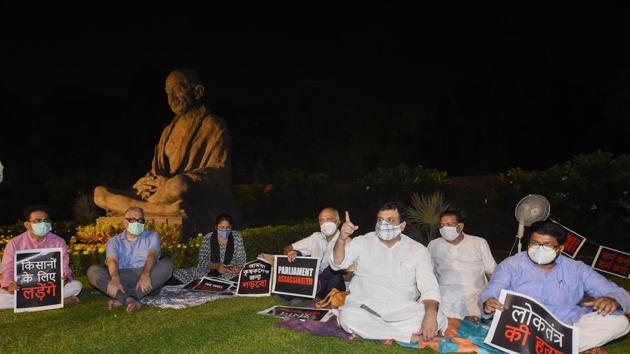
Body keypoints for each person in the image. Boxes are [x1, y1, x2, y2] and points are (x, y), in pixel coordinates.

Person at [93, 69, 234, 241]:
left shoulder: (214, 125)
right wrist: (144, 182)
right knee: (99, 193)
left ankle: (131, 210)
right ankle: (164, 211)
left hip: (179, 190)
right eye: (168, 92)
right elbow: (155, 173)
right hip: (161, 197)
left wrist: (168, 182)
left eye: (177, 90)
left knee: (178, 184)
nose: (171, 97)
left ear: (197, 91)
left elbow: (219, 173)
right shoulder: (168, 131)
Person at [479, 220, 630, 353]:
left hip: (566, 329)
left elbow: (617, 292)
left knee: (620, 323)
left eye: (547, 245)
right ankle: (573, 349)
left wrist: (613, 300)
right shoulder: (511, 265)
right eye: (535, 243)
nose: (539, 248)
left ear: (561, 248)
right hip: (525, 330)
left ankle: (554, 349)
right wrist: (488, 303)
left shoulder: (577, 269)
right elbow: (490, 292)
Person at [330, 202, 447, 343]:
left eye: (390, 220)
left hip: (402, 311)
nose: (383, 224)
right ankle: (408, 336)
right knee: (347, 316)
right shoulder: (362, 242)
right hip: (365, 308)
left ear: (402, 225)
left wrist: (430, 314)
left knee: (437, 316)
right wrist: (342, 239)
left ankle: (375, 332)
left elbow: (429, 286)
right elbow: (337, 264)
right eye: (380, 220)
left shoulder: (417, 250)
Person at [87, 207, 173, 313]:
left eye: (140, 220)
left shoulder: (152, 236)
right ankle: (132, 299)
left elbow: (153, 255)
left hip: (147, 274)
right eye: (132, 220)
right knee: (93, 271)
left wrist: (145, 274)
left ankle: (123, 298)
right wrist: (115, 278)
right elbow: (112, 261)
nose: (137, 223)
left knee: (167, 264)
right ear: (125, 221)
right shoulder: (114, 241)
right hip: (122, 276)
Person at [0, 205, 82, 309]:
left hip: (49, 288)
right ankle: (57, 301)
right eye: (37, 221)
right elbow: (7, 270)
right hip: (23, 289)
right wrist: (10, 286)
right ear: (27, 225)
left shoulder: (58, 242)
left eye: (46, 220)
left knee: (76, 286)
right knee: (1, 299)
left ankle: (30, 302)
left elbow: (64, 268)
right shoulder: (14, 243)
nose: (43, 224)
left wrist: (64, 278)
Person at [428, 209, 496, 322]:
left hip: (474, 295)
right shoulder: (434, 245)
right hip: (444, 296)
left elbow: (492, 272)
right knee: (432, 318)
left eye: (449, 225)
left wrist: (491, 295)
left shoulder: (478, 243)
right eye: (442, 225)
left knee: (473, 326)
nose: (445, 228)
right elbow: (428, 274)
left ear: (460, 226)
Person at [283, 207, 347, 299]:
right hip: (315, 281)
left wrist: (345, 270)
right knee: (297, 254)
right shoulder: (315, 238)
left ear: (338, 221)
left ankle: (302, 296)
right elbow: (288, 248)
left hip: (335, 284)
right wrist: (292, 253)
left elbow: (348, 275)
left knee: (332, 269)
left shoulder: (346, 241)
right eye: (321, 220)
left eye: (329, 219)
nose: (325, 223)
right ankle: (299, 295)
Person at [172, 213, 246, 283]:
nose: (225, 230)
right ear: (216, 227)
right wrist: (217, 266)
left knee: (235, 277)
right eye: (221, 227)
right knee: (179, 273)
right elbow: (202, 261)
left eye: (228, 227)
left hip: (230, 272)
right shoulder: (208, 238)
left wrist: (237, 269)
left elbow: (241, 258)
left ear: (231, 227)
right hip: (209, 271)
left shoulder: (237, 237)